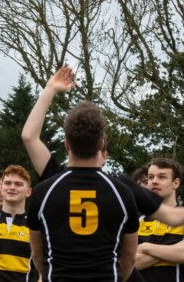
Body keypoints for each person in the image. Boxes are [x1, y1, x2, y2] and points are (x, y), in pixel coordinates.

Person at [21, 66, 184, 227]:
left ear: (67, 144)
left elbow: (29, 136)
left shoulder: (52, 183)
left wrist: (50, 89)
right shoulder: (120, 187)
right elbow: (172, 217)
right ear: (102, 145)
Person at [27, 102, 139, 281]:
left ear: (66, 144)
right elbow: (130, 257)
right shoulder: (122, 193)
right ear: (101, 144)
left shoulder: (43, 192)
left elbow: (37, 254)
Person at [135, 158, 184, 282]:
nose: (154, 181)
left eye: (162, 177)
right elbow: (129, 264)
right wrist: (176, 248)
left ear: (176, 183)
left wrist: (145, 247)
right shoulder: (135, 219)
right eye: (150, 177)